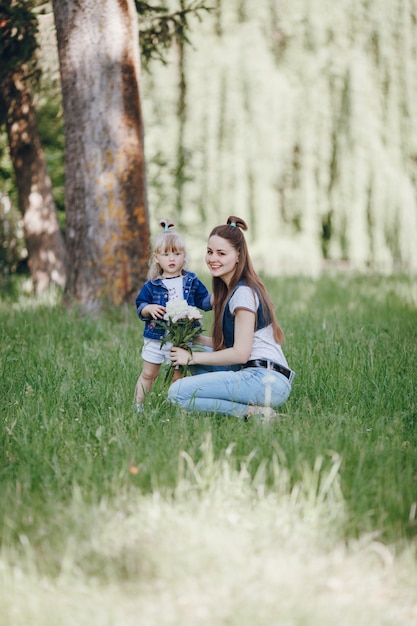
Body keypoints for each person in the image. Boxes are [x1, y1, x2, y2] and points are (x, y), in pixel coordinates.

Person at [167, 216, 295, 420]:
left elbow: (240, 354)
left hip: (266, 381)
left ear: (238, 256)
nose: (212, 259)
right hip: (255, 374)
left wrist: (190, 357)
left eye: (221, 253)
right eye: (209, 252)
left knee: (177, 393)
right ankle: (236, 401)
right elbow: (227, 346)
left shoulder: (243, 293)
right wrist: (191, 339)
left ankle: (251, 412)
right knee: (194, 351)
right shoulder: (230, 291)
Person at [134, 219, 212, 408]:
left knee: (179, 376)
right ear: (156, 257)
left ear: (183, 257)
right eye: (166, 254)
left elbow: (204, 301)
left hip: (181, 339)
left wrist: (219, 297)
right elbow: (140, 305)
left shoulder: (190, 280)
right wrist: (148, 308)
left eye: (177, 254)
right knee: (148, 374)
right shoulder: (152, 285)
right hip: (155, 339)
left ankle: (177, 406)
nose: (172, 259)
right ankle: (138, 407)